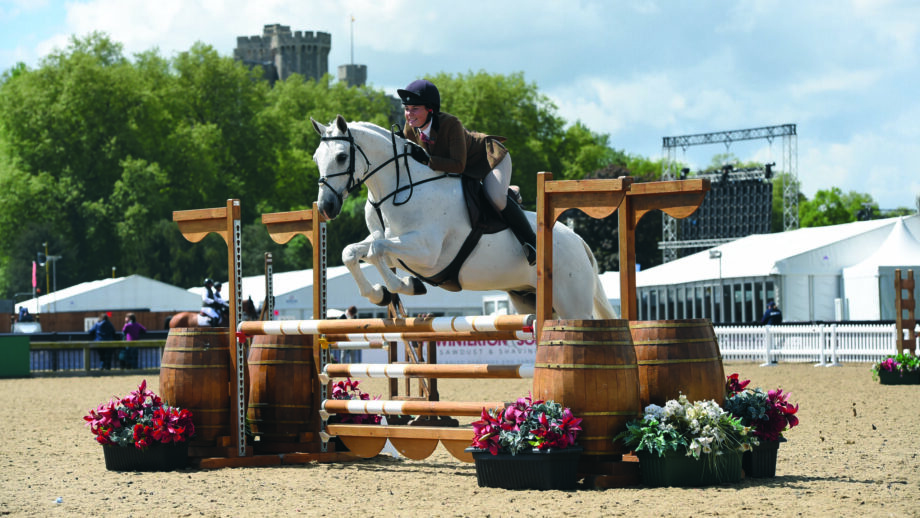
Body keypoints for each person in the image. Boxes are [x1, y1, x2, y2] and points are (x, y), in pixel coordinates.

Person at [397, 79, 537, 265]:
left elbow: (458, 165)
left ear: (430, 109)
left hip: (489, 159)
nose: (409, 114)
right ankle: (508, 190)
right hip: (460, 168)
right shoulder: (410, 128)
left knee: (495, 196)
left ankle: (531, 242)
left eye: (415, 109)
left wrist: (427, 161)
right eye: (407, 109)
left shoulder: (451, 124)